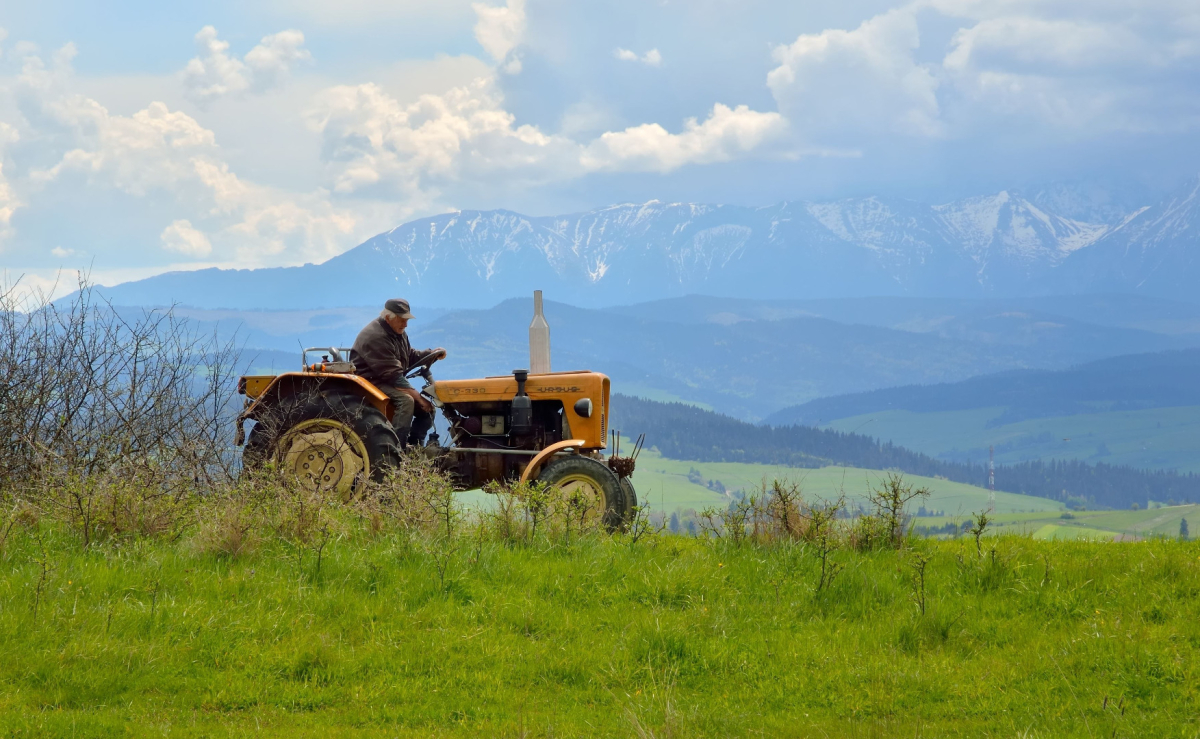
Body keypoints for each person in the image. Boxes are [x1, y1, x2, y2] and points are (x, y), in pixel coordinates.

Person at [349, 299, 446, 446]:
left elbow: (409, 355)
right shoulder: (376, 336)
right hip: (371, 381)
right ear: (389, 317)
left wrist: (432, 354)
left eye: (406, 320)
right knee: (406, 401)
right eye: (402, 320)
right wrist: (419, 399)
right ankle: (396, 447)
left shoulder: (397, 331)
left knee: (428, 409)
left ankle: (416, 445)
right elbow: (395, 378)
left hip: (387, 378)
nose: (405, 324)